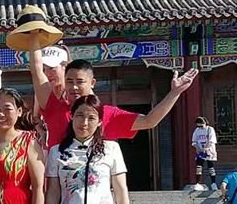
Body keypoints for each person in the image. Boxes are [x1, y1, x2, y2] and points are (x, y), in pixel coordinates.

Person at [28, 33, 199, 149]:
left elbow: (149, 121)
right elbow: (36, 71)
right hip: (58, 189)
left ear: (92, 83)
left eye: (79, 82)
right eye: (69, 82)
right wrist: (33, 33)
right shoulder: (54, 107)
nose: (74, 87)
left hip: (95, 190)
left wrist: (174, 93)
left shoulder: (107, 114)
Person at [192, 116, 218, 191]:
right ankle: (198, 183)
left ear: (205, 123)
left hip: (209, 151)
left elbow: (211, 141)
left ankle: (213, 183)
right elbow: (194, 141)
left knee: (210, 166)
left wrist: (205, 148)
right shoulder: (197, 130)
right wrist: (197, 148)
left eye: (201, 125)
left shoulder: (210, 129)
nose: (200, 127)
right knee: (199, 166)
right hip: (200, 150)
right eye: (198, 126)